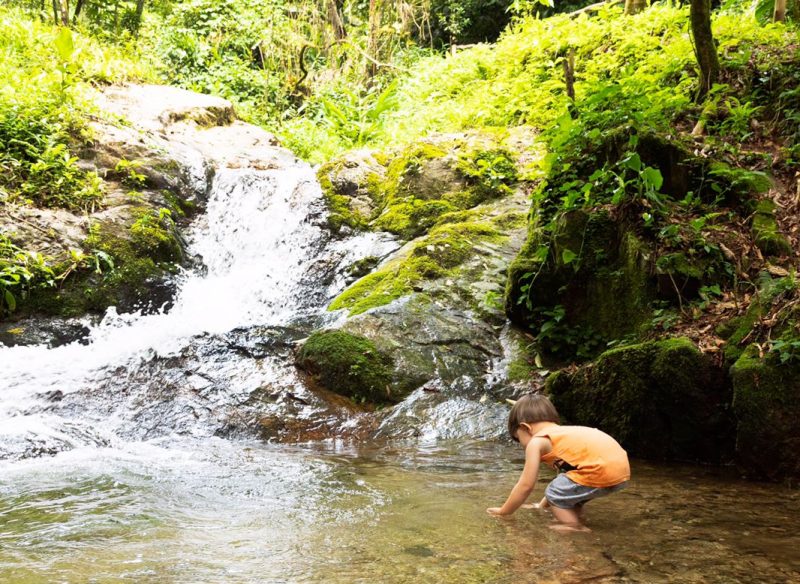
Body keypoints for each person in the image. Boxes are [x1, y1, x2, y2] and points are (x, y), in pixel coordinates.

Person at [487, 393, 630, 532]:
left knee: (556, 490)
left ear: (525, 428)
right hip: (620, 472)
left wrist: (503, 512)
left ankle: (573, 526)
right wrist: (541, 505)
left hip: (598, 471)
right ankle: (576, 518)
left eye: (518, 438)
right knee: (566, 490)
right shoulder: (563, 436)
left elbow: (526, 485)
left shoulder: (537, 441)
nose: (521, 445)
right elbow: (564, 480)